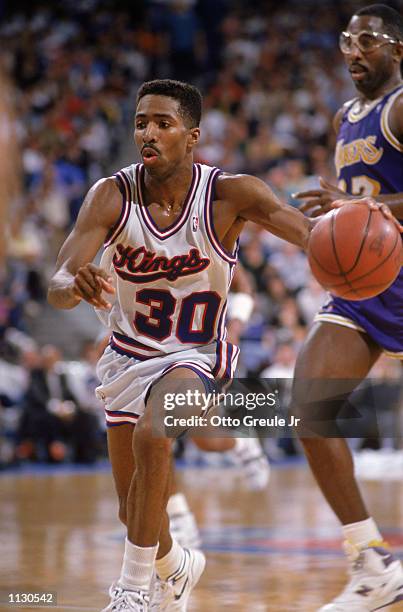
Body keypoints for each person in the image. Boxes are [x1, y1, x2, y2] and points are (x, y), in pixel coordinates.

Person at [47, 79, 377, 611]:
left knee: (157, 433)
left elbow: (310, 235)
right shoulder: (111, 194)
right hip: (129, 355)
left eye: (162, 123)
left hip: (197, 354)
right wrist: (74, 284)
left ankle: (132, 593)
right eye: (140, 123)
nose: (147, 133)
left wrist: (361, 220)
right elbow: (59, 281)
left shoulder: (231, 194)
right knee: (133, 512)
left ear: (192, 136)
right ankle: (175, 567)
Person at [293, 5, 403, 611]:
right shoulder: (345, 116)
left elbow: (368, 203)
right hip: (368, 286)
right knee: (307, 406)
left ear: (398, 49)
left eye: (368, 40)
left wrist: (356, 207)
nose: (354, 50)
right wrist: (337, 219)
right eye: (346, 40)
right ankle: (371, 563)